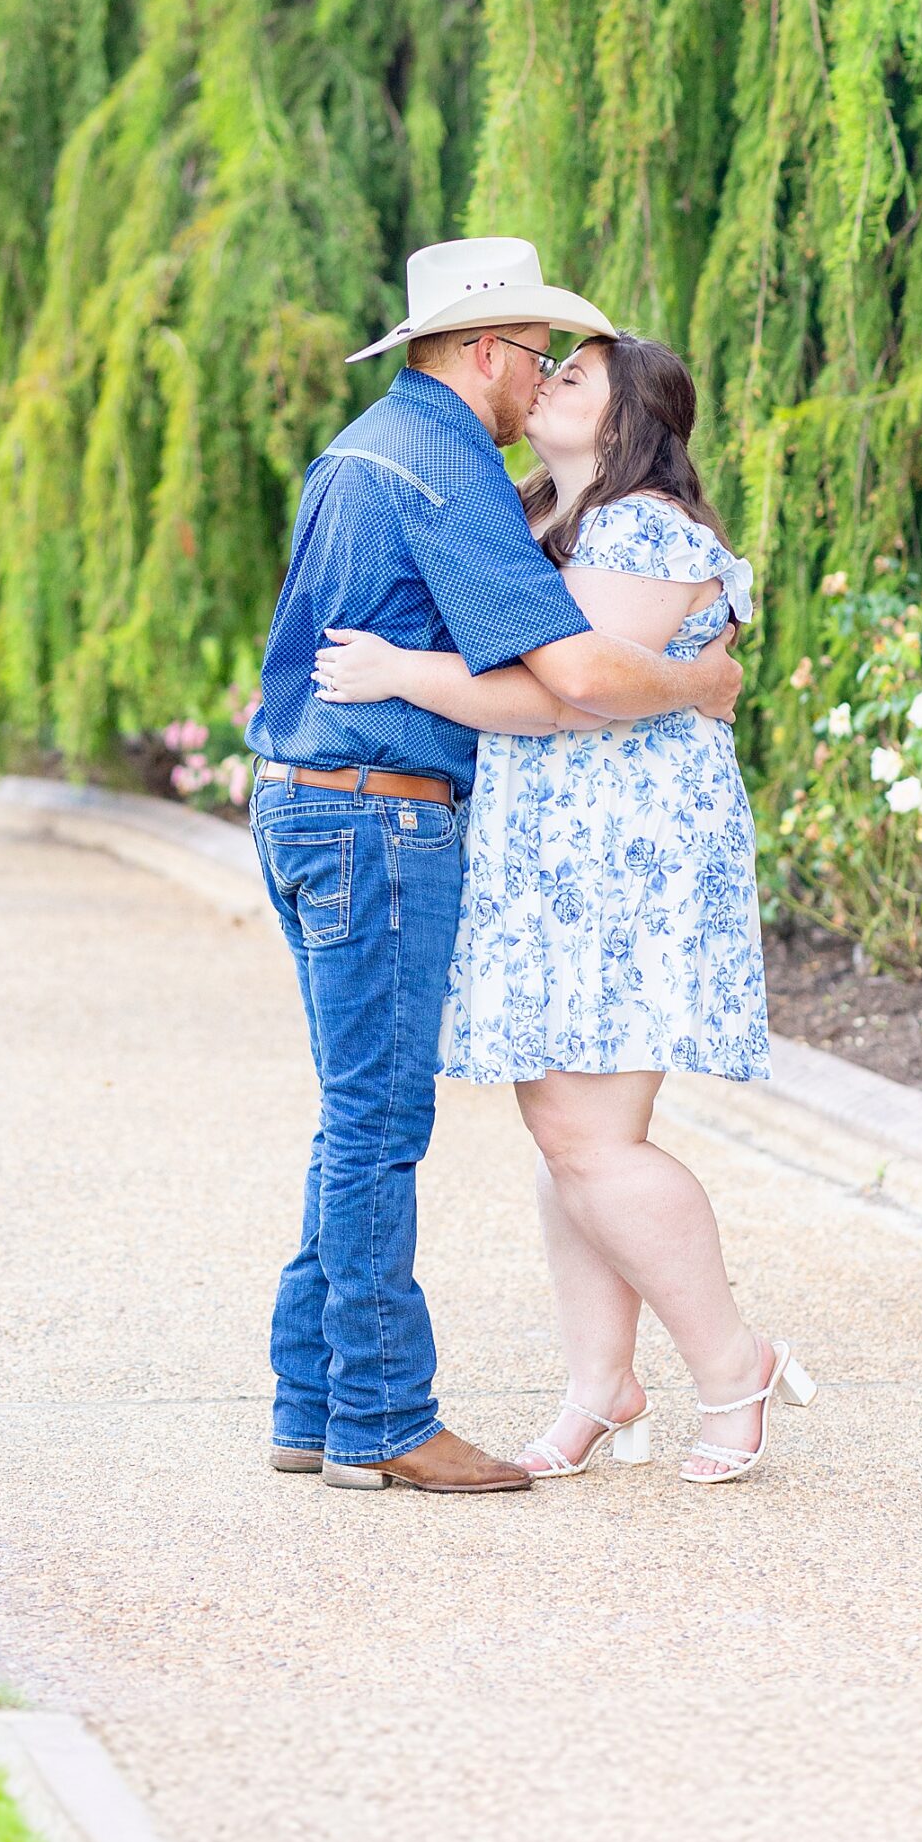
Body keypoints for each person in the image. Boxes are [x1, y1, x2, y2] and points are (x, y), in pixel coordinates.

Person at [247, 240, 743, 1496]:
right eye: (538, 357)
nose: (545, 380)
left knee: (354, 1114)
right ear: (487, 352)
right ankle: (379, 1420)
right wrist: (702, 680)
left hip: (317, 806)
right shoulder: (449, 468)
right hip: (374, 816)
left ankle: (314, 1403)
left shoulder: (371, 444)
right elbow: (576, 676)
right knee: (375, 1121)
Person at [318, 333, 815, 1487]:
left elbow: (568, 696)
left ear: (629, 417)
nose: (548, 383)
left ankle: (735, 1362)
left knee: (592, 1141)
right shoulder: (556, 520)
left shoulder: (642, 523)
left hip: (623, 856)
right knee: (570, 1139)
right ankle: (601, 1384)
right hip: (558, 853)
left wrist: (403, 672)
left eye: (576, 375)